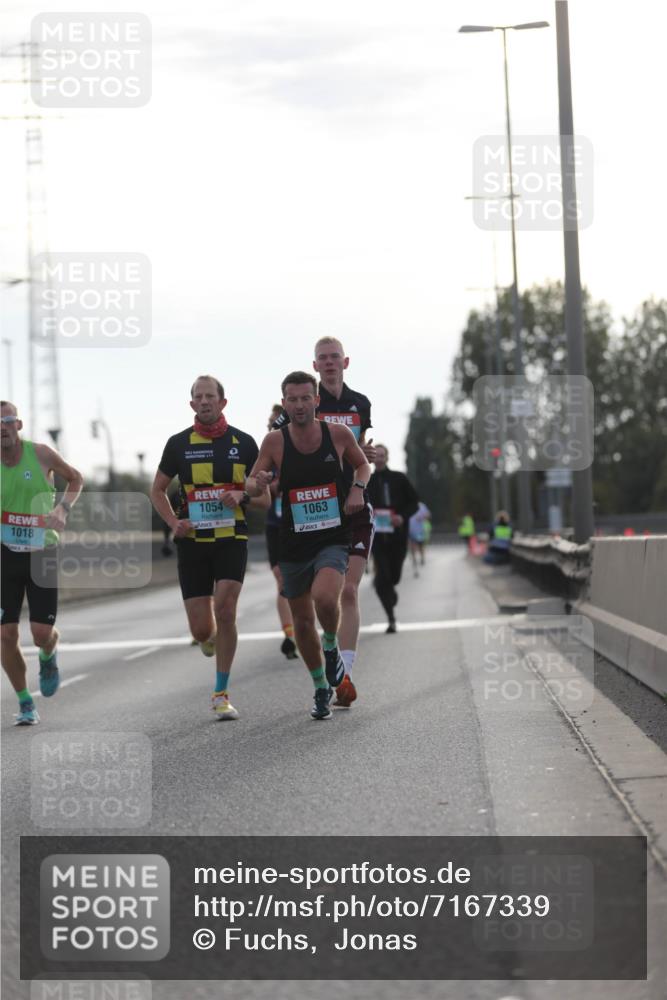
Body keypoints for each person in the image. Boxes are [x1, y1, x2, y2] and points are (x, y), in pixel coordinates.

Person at [248, 372, 371, 720]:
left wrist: (357, 489)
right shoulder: (274, 442)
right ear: (284, 403)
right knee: (302, 622)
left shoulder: (337, 434)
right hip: (293, 540)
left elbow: (363, 466)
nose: (300, 405)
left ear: (316, 401)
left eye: (306, 398)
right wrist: (256, 482)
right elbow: (254, 486)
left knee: (325, 597)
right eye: (293, 399)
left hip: (333, 534)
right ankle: (320, 687)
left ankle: (331, 646)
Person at [151, 376, 269, 721]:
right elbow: (157, 490)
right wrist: (174, 523)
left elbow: (266, 497)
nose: (204, 402)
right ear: (192, 405)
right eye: (198, 397)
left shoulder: (244, 444)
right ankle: (208, 637)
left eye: (210, 396)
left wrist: (243, 495)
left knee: (227, 608)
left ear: (222, 402)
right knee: (202, 630)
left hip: (232, 538)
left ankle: (221, 693)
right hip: (193, 543)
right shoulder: (178, 444)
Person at [272, 337, 375, 708]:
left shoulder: (359, 404)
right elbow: (271, 456)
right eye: (323, 359)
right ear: (315, 366)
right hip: (300, 523)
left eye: (335, 358)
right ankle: (325, 679)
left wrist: (366, 469)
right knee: (308, 613)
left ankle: (342, 671)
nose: (330, 364)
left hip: (349, 507)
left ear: (345, 362)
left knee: (342, 592)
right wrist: (259, 483)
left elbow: (363, 453)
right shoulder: (296, 409)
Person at [1, 401, 83, 725]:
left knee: (39, 633)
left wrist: (62, 509)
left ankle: (48, 653)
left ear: (18, 425)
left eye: (7, 421)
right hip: (5, 553)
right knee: (5, 634)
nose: (2, 427)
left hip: (42, 551)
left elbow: (76, 478)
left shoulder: (42, 454)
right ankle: (24, 703)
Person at [367, 444, 419, 632]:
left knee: (394, 576)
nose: (379, 459)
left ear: (387, 457)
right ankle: (391, 618)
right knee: (383, 579)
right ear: (372, 459)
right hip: (377, 539)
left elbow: (414, 503)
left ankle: (391, 590)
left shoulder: (399, 479)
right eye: (376, 456)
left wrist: (402, 517)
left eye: (382, 455)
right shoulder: (367, 481)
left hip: (398, 536)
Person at [264, 404, 298, 660]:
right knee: (282, 580)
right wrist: (269, 485)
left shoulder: (301, 446)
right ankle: (290, 635)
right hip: (275, 524)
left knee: (303, 584)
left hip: (301, 523)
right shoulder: (266, 452)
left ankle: (304, 626)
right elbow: (254, 485)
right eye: (273, 423)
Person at [409, 501, 432, 576]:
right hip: (410, 530)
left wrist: (422, 517)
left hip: (420, 531)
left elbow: (428, 515)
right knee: (412, 547)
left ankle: (422, 558)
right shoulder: (407, 504)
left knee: (421, 546)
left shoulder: (422, 506)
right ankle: (414, 560)